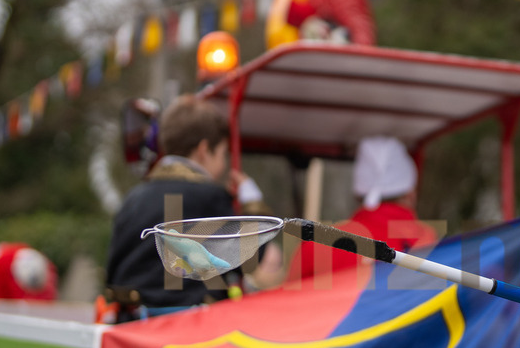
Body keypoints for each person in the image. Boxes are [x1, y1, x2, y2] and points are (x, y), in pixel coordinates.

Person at [102, 95, 268, 322]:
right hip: (187, 329)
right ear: (203, 150)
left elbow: (112, 272)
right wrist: (252, 202)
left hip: (131, 326)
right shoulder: (210, 197)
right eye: (222, 154)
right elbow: (249, 259)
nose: (223, 165)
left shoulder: (133, 198)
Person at [288, 136, 438, 285]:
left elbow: (288, 299)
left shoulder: (317, 246)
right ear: (410, 194)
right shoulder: (431, 243)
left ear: (357, 195)